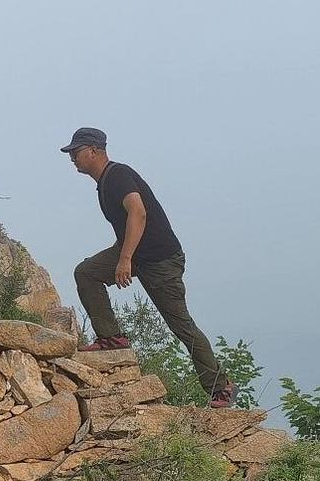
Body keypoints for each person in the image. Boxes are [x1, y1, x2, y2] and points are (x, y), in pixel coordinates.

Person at [61, 127, 238, 408]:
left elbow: (138, 212)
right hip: (139, 255)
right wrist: (124, 255)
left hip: (160, 260)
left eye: (76, 151)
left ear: (94, 151)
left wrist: (125, 259)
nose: (72, 157)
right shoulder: (105, 182)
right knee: (87, 272)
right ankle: (111, 337)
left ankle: (221, 387)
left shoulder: (118, 174)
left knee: (181, 325)